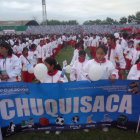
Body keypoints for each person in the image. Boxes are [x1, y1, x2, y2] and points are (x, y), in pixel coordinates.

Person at [40, 57, 68, 135]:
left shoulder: (60, 73)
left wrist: (62, 83)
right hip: (48, 98)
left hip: (58, 98)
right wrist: (39, 84)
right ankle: (48, 126)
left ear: (52, 66)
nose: (44, 67)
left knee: (59, 112)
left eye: (46, 65)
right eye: (44, 65)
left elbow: (66, 82)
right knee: (48, 111)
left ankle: (59, 126)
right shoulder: (43, 75)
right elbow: (41, 85)